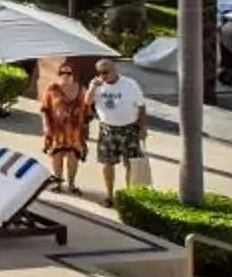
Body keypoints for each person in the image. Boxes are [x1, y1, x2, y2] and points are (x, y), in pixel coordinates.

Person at [90, 56, 149, 200]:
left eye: (106, 72)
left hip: (129, 129)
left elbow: (141, 106)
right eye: (101, 72)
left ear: (115, 70)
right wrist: (92, 88)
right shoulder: (97, 86)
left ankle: (129, 196)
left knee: (132, 164)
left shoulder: (130, 84)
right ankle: (109, 195)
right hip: (107, 130)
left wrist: (143, 128)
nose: (103, 75)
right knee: (108, 163)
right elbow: (87, 102)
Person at [38, 59, 91, 192]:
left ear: (74, 74)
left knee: (73, 157)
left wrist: (86, 130)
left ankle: (71, 184)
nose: (65, 75)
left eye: (69, 73)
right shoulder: (52, 89)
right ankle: (58, 183)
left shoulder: (82, 90)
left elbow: (88, 112)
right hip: (56, 130)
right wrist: (45, 126)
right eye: (62, 72)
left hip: (75, 132)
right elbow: (45, 109)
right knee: (57, 156)